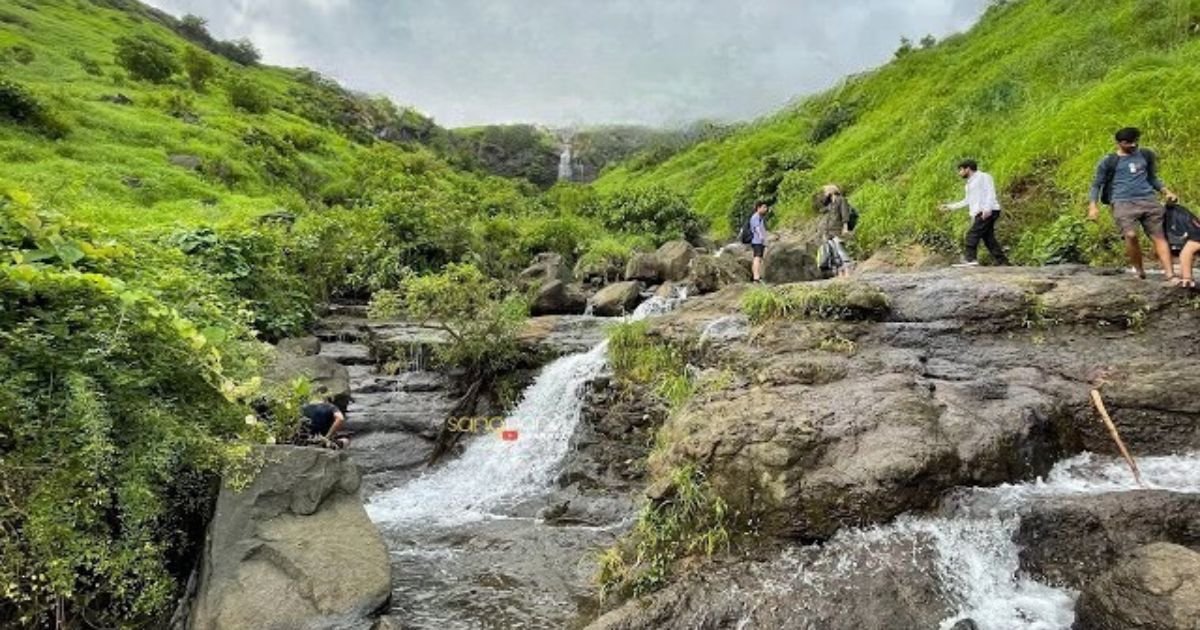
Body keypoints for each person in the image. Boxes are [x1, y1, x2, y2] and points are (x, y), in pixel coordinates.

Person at [1087, 127, 1179, 281]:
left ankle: (1170, 273)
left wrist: (1166, 192)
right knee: (1130, 235)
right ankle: (1139, 269)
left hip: (1148, 200)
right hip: (1122, 203)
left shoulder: (1146, 155)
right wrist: (1093, 206)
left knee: (1159, 236)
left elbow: (1152, 178)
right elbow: (1096, 184)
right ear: (1118, 143)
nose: (1133, 145)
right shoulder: (1108, 161)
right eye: (1128, 143)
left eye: (1135, 141)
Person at [939, 159, 1008, 267]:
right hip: (980, 212)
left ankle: (970, 259)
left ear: (968, 169)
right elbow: (967, 201)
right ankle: (1003, 262)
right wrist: (949, 207)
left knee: (972, 235)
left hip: (988, 210)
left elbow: (990, 193)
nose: (959, 173)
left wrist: (987, 209)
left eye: (961, 170)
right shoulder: (969, 184)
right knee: (988, 238)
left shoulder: (984, 177)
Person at [817, 184, 854, 277]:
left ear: (831, 191)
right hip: (829, 231)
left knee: (841, 251)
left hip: (837, 229)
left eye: (826, 191)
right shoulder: (830, 203)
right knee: (834, 254)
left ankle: (848, 272)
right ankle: (840, 273)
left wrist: (845, 227)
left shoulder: (841, 200)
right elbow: (821, 210)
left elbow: (844, 214)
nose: (825, 193)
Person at [750, 200, 770, 283]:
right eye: (764, 207)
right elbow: (757, 228)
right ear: (758, 208)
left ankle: (756, 276)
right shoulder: (755, 217)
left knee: (758, 258)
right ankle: (756, 277)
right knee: (757, 258)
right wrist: (762, 237)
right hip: (757, 241)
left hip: (759, 241)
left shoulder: (759, 217)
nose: (766, 209)